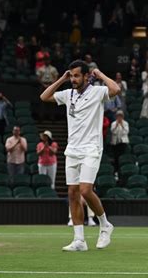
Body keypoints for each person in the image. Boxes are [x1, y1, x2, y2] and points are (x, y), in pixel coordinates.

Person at [40, 60, 119, 252]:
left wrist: (99, 75)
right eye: (72, 75)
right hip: (72, 150)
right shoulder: (68, 94)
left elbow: (115, 89)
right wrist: (62, 79)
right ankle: (79, 240)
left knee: (85, 190)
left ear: (86, 76)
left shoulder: (98, 91)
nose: (73, 79)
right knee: (72, 194)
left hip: (91, 148)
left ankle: (105, 224)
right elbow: (44, 96)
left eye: (77, 76)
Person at [110, 110, 129, 177]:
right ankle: (116, 171)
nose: (119, 117)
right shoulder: (113, 123)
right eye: (118, 116)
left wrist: (122, 125)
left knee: (122, 157)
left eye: (121, 116)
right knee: (116, 158)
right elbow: (113, 131)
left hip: (122, 142)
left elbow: (126, 132)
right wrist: (116, 125)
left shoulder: (125, 123)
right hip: (115, 143)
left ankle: (122, 171)